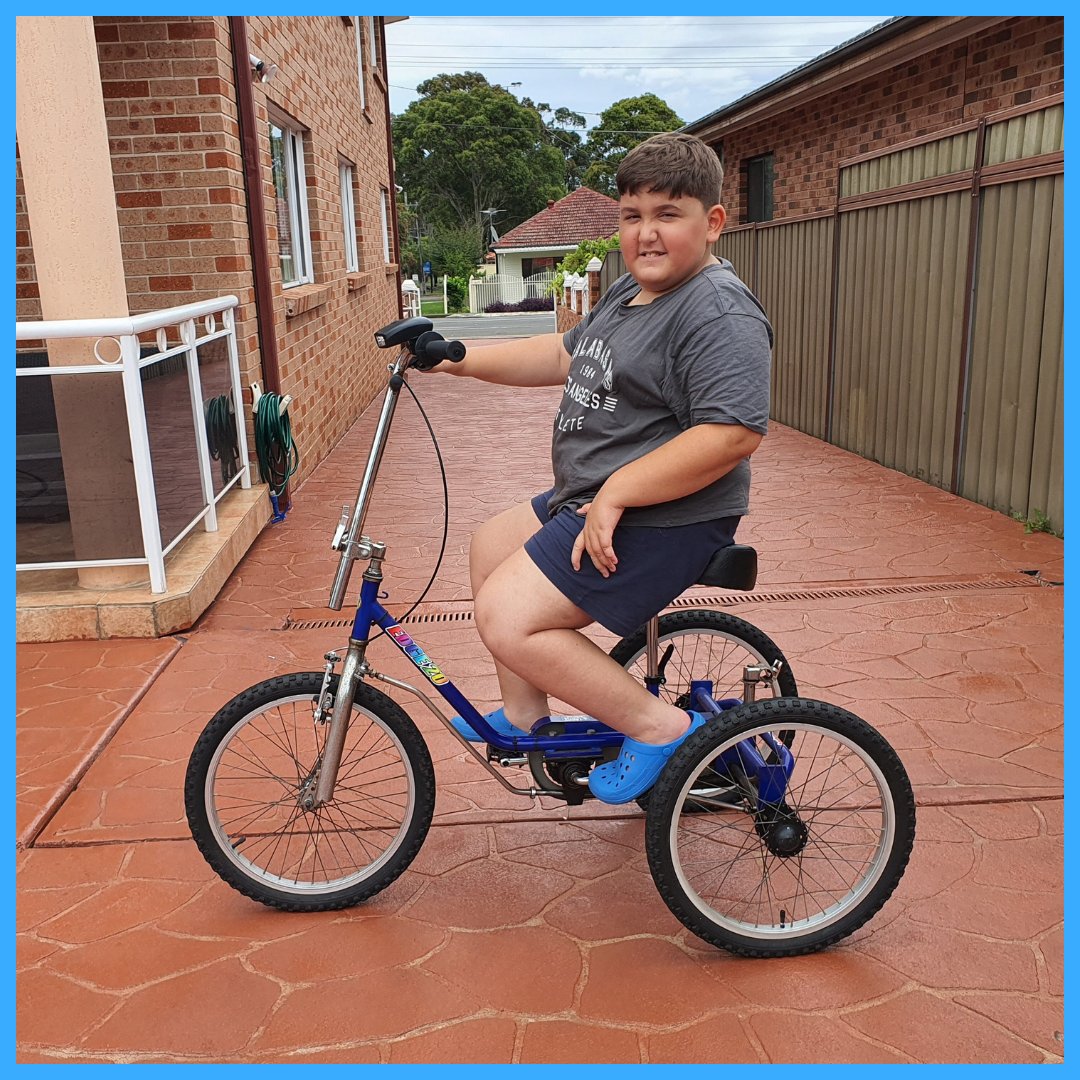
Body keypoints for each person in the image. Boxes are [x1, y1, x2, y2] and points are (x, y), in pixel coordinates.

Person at [425, 131, 772, 804]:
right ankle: (526, 714)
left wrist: (617, 492)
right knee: (488, 548)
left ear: (714, 223)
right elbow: (562, 355)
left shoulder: (715, 308)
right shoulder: (630, 293)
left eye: (667, 215)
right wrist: (456, 356)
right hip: (597, 496)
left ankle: (661, 727)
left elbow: (731, 434)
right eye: (632, 215)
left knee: (508, 617)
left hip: (669, 516)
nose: (645, 233)